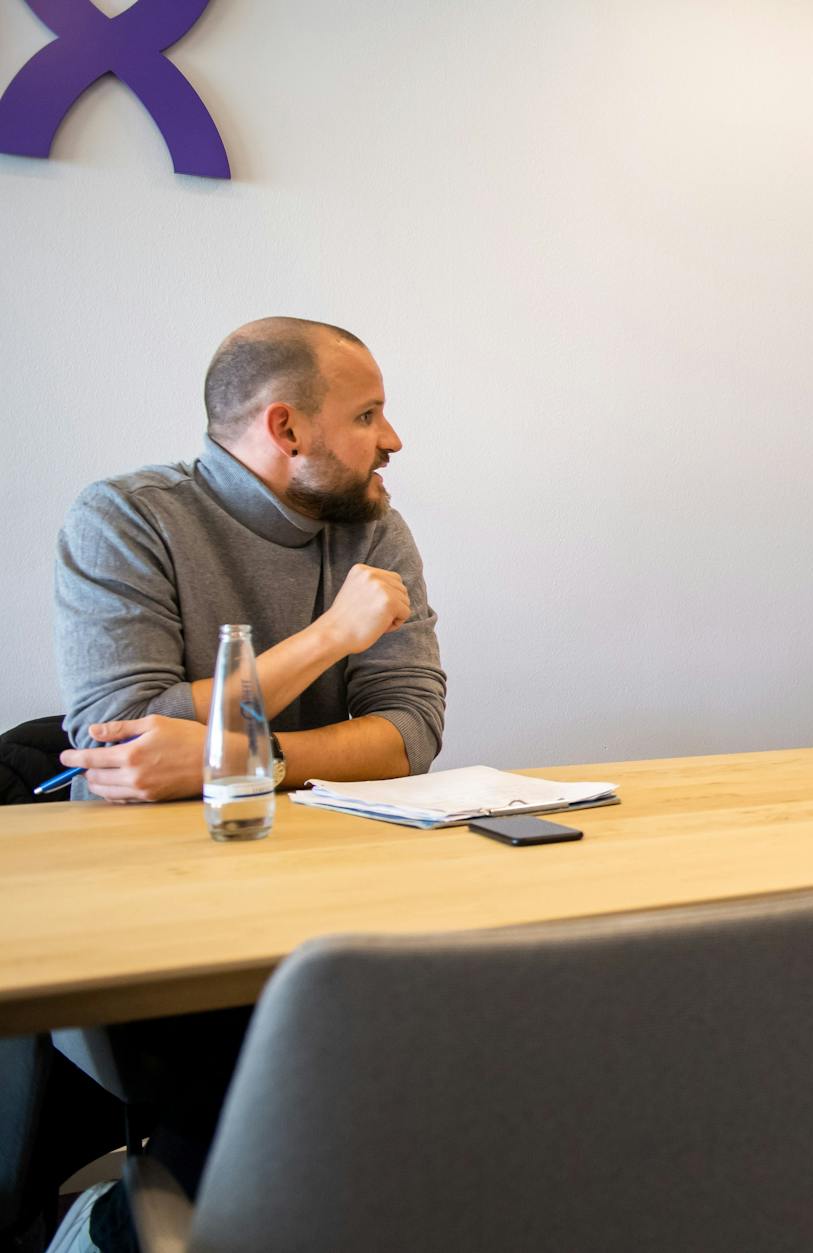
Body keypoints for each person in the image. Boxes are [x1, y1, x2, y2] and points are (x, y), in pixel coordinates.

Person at [44, 317, 446, 1251]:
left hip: (333, 894)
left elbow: (410, 730)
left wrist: (241, 759)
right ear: (286, 428)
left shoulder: (376, 528)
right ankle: (114, 1222)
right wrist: (331, 639)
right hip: (143, 920)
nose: (393, 439)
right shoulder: (125, 516)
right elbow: (123, 722)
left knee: (461, 1047)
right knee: (289, 1093)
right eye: (370, 413)